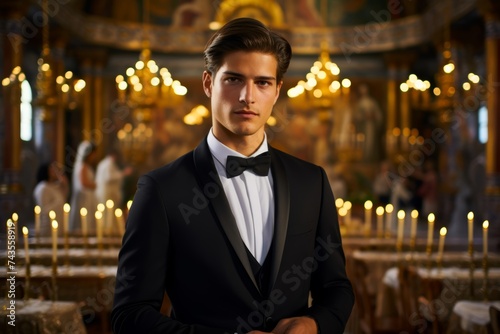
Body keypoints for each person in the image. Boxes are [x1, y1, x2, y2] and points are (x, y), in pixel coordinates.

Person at [112, 18, 354, 334]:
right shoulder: (161, 189)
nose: (247, 97)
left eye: (263, 82)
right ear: (209, 83)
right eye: (234, 80)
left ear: (278, 90)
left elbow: (336, 286)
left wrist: (313, 324)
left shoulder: (312, 182)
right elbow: (129, 315)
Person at [33, 162, 69, 236]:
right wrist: (58, 203)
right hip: (48, 225)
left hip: (59, 222)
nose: (55, 172)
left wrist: (64, 185)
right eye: (52, 169)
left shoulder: (55, 186)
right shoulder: (42, 187)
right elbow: (44, 208)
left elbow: (64, 198)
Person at [69, 140, 98, 234]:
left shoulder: (86, 166)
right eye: (93, 153)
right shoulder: (83, 166)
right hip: (85, 199)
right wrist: (95, 184)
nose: (94, 156)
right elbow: (84, 183)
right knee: (84, 222)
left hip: (88, 197)